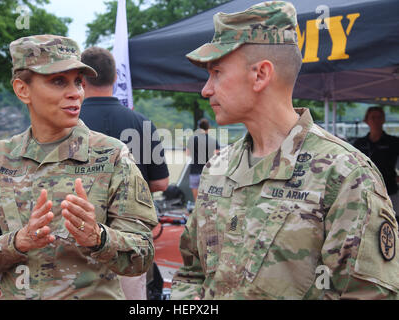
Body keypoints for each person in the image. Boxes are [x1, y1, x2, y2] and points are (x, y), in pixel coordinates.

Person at [171, 1, 398, 300]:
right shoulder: (218, 167)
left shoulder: (345, 175)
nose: (206, 89)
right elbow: (191, 273)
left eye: (216, 72)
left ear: (261, 75)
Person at [0, 35, 158, 300]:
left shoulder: (112, 157)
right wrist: (17, 242)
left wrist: (99, 238)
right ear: (22, 89)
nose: (75, 92)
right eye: (58, 81)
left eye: (78, 81)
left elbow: (142, 255)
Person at [80, 47, 169, 299]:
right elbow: (161, 182)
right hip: (129, 243)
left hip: (77, 242)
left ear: (82, 79)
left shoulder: (67, 125)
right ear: (116, 78)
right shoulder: (141, 122)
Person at [353, 107, 399, 220]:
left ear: (383, 120)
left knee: (392, 221)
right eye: (373, 117)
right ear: (366, 120)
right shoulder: (359, 143)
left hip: (389, 190)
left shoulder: (394, 142)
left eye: (379, 117)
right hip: (365, 190)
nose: (376, 120)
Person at [186, 118, 220, 200]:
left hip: (194, 170)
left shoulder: (192, 139)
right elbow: (217, 156)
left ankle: (196, 210)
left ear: (199, 127)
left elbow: (187, 153)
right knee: (207, 197)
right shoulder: (213, 140)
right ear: (209, 127)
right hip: (208, 171)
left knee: (196, 196)